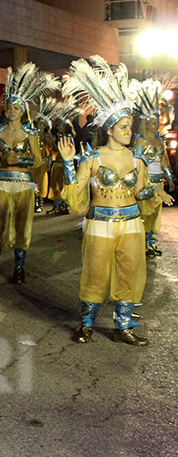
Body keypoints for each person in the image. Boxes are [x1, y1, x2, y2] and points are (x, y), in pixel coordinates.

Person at [58, 56, 174, 345]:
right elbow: (75, 194)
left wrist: (154, 192)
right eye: (123, 127)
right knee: (95, 272)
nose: (129, 131)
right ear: (109, 129)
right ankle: (86, 323)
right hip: (100, 223)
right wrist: (69, 163)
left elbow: (140, 193)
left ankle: (124, 327)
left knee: (130, 272)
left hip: (132, 223)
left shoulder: (138, 159)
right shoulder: (93, 158)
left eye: (130, 127)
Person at [0, 63, 58, 285]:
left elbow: (38, 161)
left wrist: (19, 159)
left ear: (23, 112)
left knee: (22, 226)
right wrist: (0, 159)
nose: (11, 111)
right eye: (10, 107)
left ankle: (19, 268)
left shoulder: (30, 133)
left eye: (16, 109)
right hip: (2, 182)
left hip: (23, 183)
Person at [132, 79, 176, 258]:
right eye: (152, 122)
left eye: (157, 122)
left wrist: (170, 180)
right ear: (145, 123)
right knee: (144, 212)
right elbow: (136, 164)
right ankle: (141, 243)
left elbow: (164, 161)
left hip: (159, 182)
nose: (155, 125)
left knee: (155, 215)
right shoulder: (140, 142)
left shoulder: (160, 141)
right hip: (146, 182)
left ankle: (149, 242)